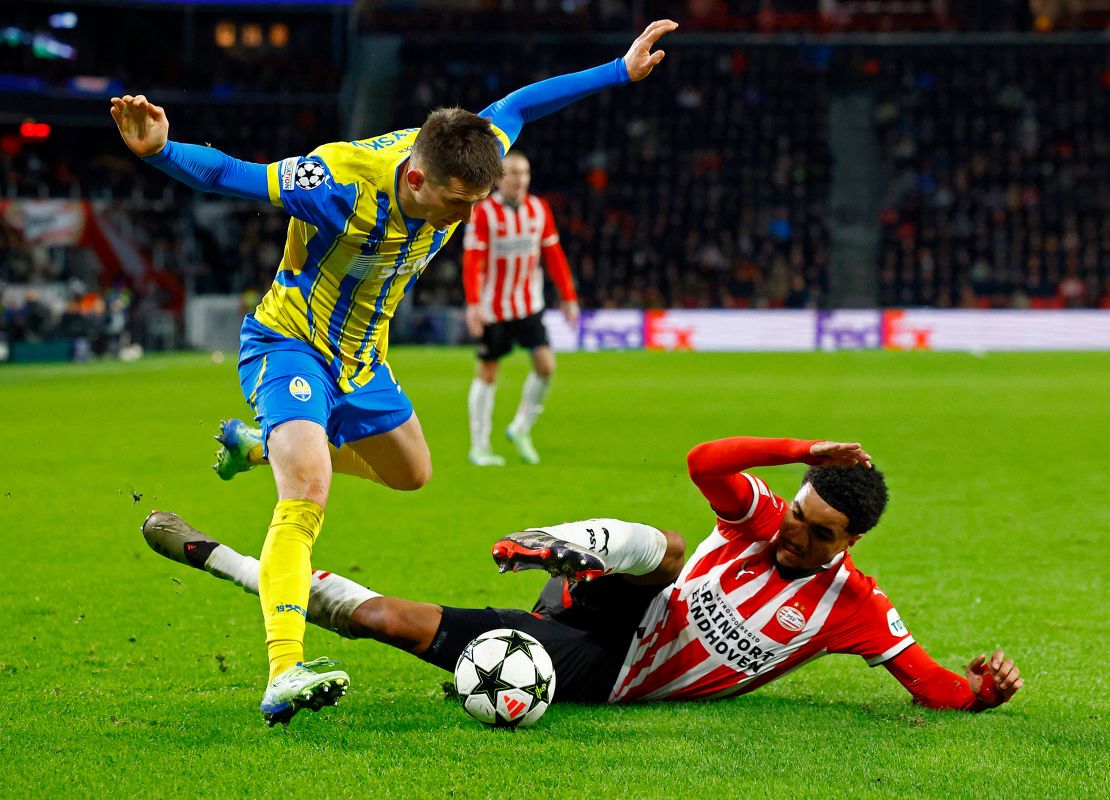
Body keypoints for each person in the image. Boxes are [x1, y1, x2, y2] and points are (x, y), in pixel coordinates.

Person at [110, 19, 679, 726]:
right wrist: (161, 149)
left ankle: (255, 445)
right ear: (415, 176)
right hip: (289, 344)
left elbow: (521, 104)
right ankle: (284, 668)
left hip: (363, 360)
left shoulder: (469, 153)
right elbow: (233, 176)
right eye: (456, 203)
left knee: (412, 474)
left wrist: (617, 72)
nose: (466, 215)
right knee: (307, 495)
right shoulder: (337, 181)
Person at [142, 434, 1023, 717]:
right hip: (618, 598)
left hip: (607, 671)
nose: (792, 536)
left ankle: (214, 556)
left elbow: (930, 684)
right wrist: (801, 451)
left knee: (390, 623)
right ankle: (559, 543)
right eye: (796, 514)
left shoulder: (852, 608)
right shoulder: (760, 519)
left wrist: (981, 692)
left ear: (851, 543)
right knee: (675, 549)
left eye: (817, 535)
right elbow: (706, 460)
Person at [462, 151, 579, 466]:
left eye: (524, 173)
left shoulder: (539, 209)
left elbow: (553, 254)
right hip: (494, 308)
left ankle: (521, 427)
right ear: (499, 177)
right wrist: (473, 305)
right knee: (488, 372)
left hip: (529, 303)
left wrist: (568, 295)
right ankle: (480, 445)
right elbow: (472, 261)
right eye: (513, 172)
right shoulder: (483, 213)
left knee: (546, 366)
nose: (519, 179)